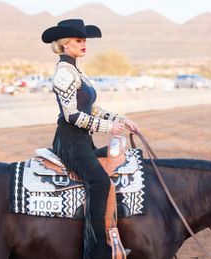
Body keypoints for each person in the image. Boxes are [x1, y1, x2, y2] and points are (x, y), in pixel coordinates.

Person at [41, 19, 139, 259]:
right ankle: (98, 251)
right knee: (100, 182)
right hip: (70, 142)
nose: (83, 44)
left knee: (122, 160)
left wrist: (121, 119)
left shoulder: (76, 70)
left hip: (83, 140)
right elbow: (72, 115)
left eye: (84, 40)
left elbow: (91, 108)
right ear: (65, 44)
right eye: (78, 40)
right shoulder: (64, 73)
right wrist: (109, 127)